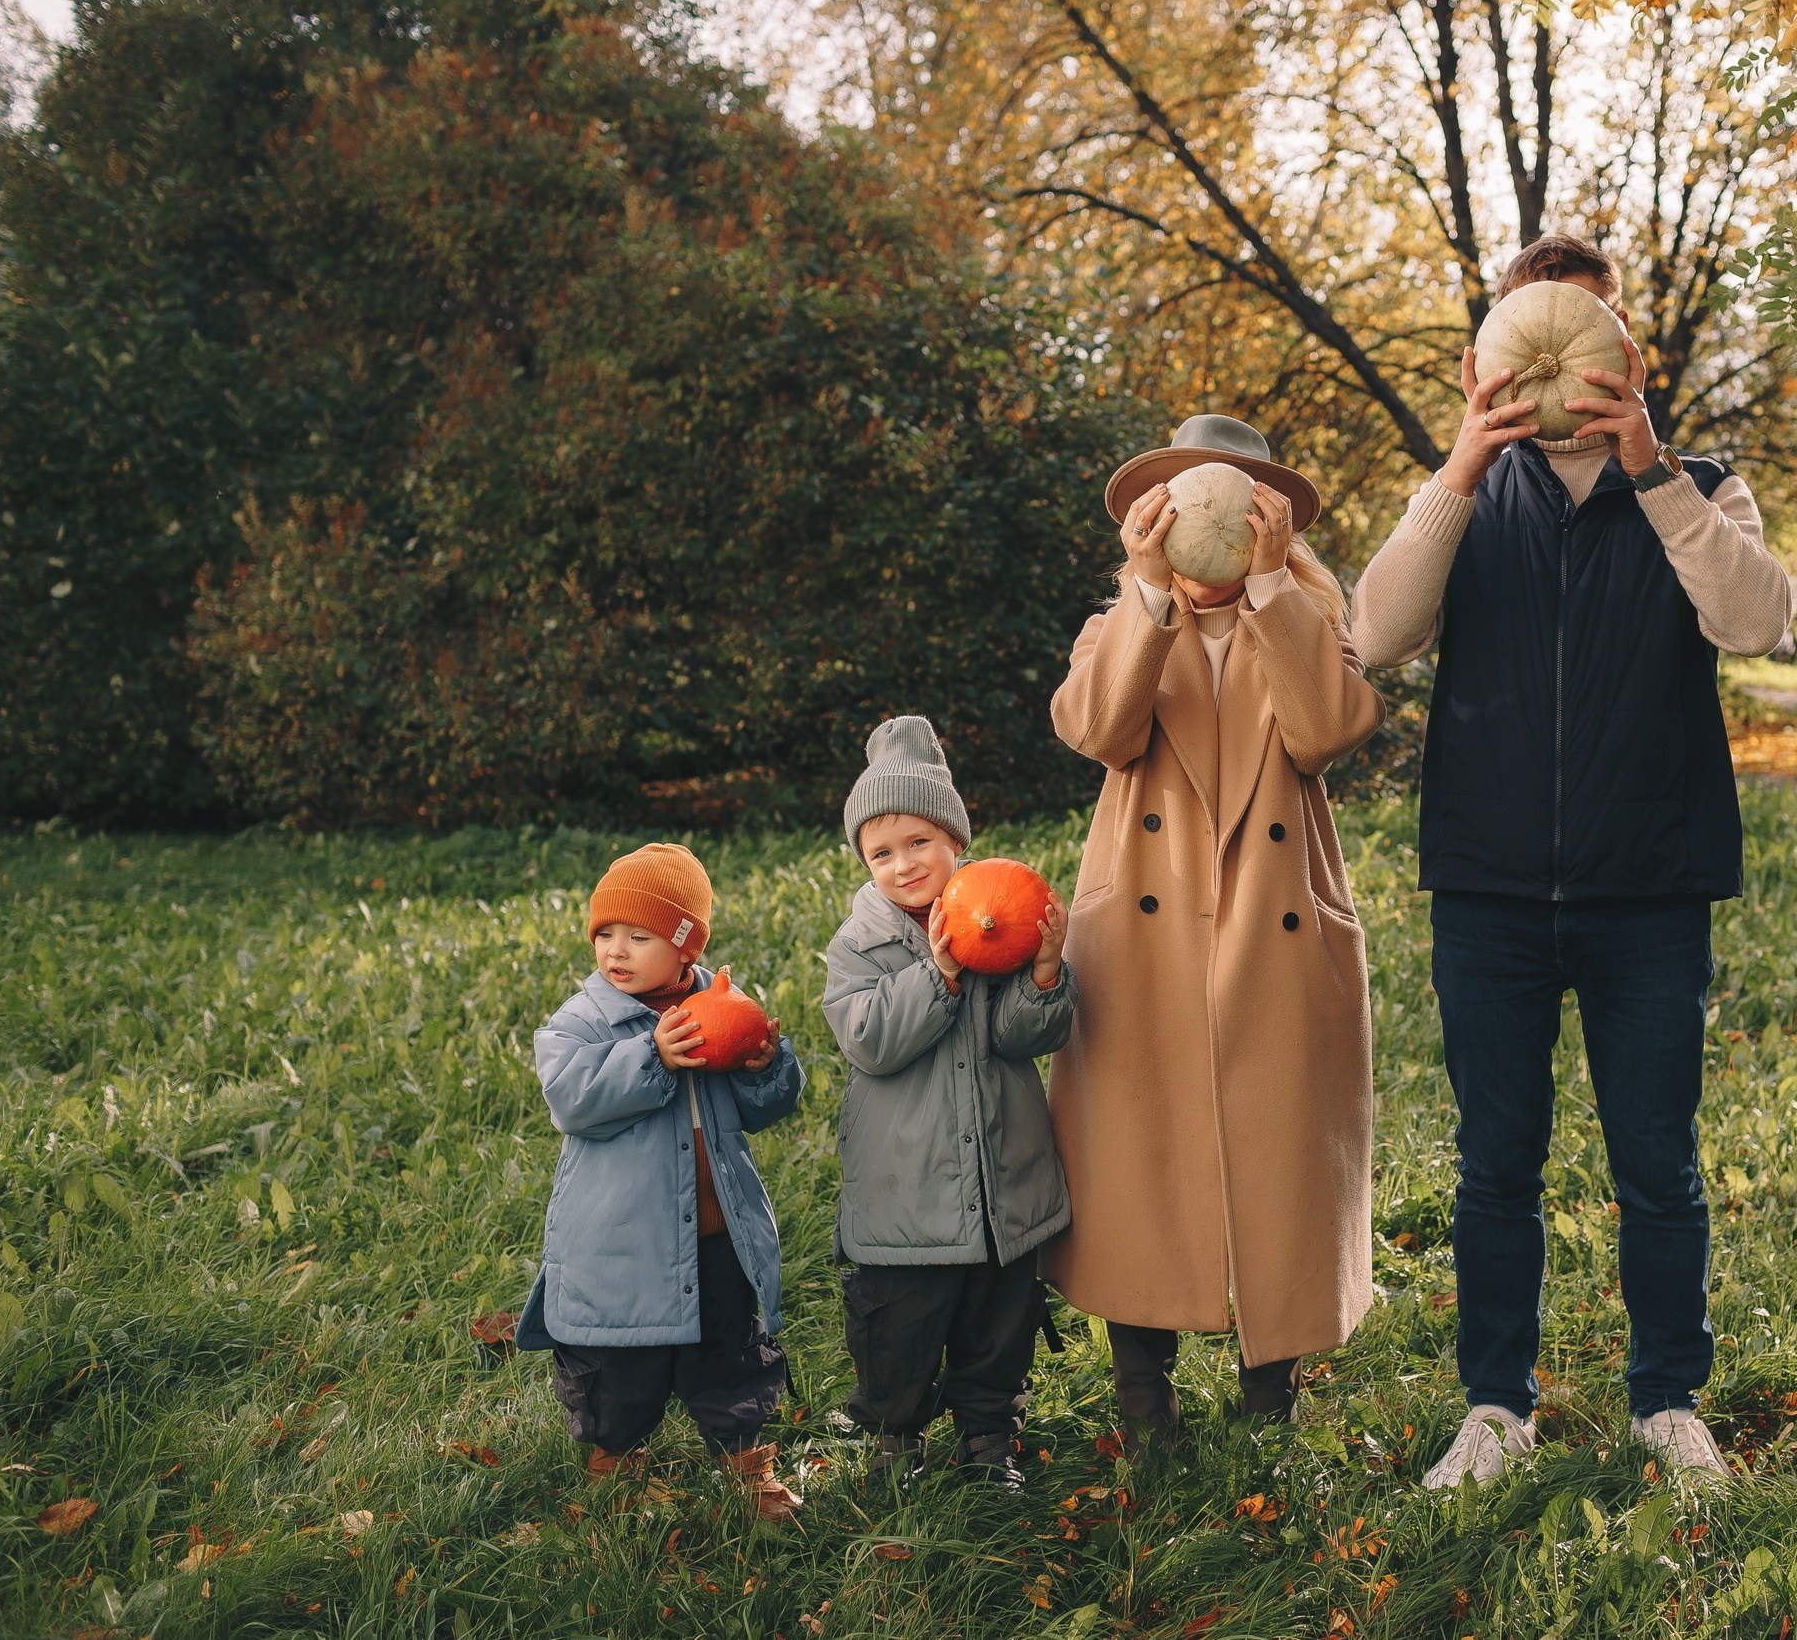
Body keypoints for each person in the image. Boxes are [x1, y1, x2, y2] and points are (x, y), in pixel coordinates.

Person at [1352, 233, 1795, 1489]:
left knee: (1657, 1162)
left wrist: (1653, 468)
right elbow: (1372, 635)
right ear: (1482, 357)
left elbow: (1757, 622)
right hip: (1487, 885)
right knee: (1496, 1164)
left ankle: (1668, 1401)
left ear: (1628, 353)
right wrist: (1459, 464)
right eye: (1531, 335)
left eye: (1587, 333)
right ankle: (1496, 1407)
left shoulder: (1699, 483)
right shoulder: (1459, 496)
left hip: (1649, 885)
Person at [1045, 413, 1384, 1446]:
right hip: (1145, 933)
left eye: (1231, 503)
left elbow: (1325, 735)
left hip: (1273, 928)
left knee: (1277, 1152)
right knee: (1136, 1154)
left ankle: (1269, 1387)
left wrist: (1278, 587)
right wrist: (1145, 590)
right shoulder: (1120, 626)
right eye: (1185, 499)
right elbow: (1100, 730)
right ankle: (1143, 1395)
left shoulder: (1309, 618)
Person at [820, 716, 1076, 1492]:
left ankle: (988, 1438)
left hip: (1001, 1181)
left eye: (921, 842)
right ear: (865, 863)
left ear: (957, 841)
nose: (905, 865)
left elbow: (1019, 1038)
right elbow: (868, 1037)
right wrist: (937, 973)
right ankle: (896, 1435)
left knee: (997, 1327)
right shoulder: (858, 945)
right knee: (898, 1327)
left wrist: (1042, 973)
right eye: (882, 852)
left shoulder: (992, 920)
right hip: (905, 1193)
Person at [517, 842, 807, 1521]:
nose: (616, 950)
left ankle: (747, 1465)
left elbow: (768, 1108)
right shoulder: (584, 1020)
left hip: (718, 1235)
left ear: (684, 946)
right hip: (622, 1248)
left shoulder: (722, 1004)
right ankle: (615, 1469)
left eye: (638, 935)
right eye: (605, 934)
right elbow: (571, 1096)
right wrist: (652, 1054)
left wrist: (764, 1063)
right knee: (620, 1374)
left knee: (730, 1357)